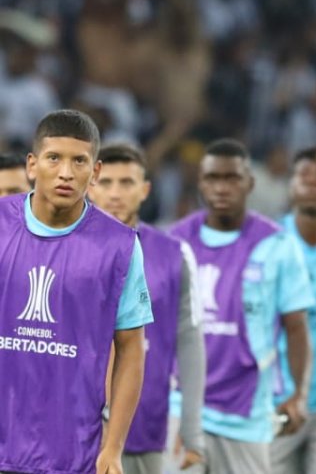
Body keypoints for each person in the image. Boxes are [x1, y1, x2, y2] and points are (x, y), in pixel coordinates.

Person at [0, 109, 152, 474]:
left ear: (95, 172)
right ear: (32, 166)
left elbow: (131, 348)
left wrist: (113, 449)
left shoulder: (120, 246)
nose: (66, 172)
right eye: (54, 158)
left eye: (79, 161)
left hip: (72, 455)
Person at [168, 138, 315, 474]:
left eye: (232, 178)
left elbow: (296, 327)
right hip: (180, 408)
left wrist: (298, 394)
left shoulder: (277, 244)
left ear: (249, 183)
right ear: (200, 183)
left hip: (247, 416)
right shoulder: (174, 241)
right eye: (213, 178)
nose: (222, 188)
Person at [90, 143, 206, 474]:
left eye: (126, 183)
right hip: (75, 430)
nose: (115, 194)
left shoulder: (174, 254)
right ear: (90, 186)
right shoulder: (66, 247)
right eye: (106, 182)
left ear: (145, 189)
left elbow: (189, 340)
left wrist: (191, 428)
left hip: (148, 430)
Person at [270, 147, 316, 474]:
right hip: (276, 402)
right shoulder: (269, 243)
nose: (312, 184)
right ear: (290, 185)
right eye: (303, 176)